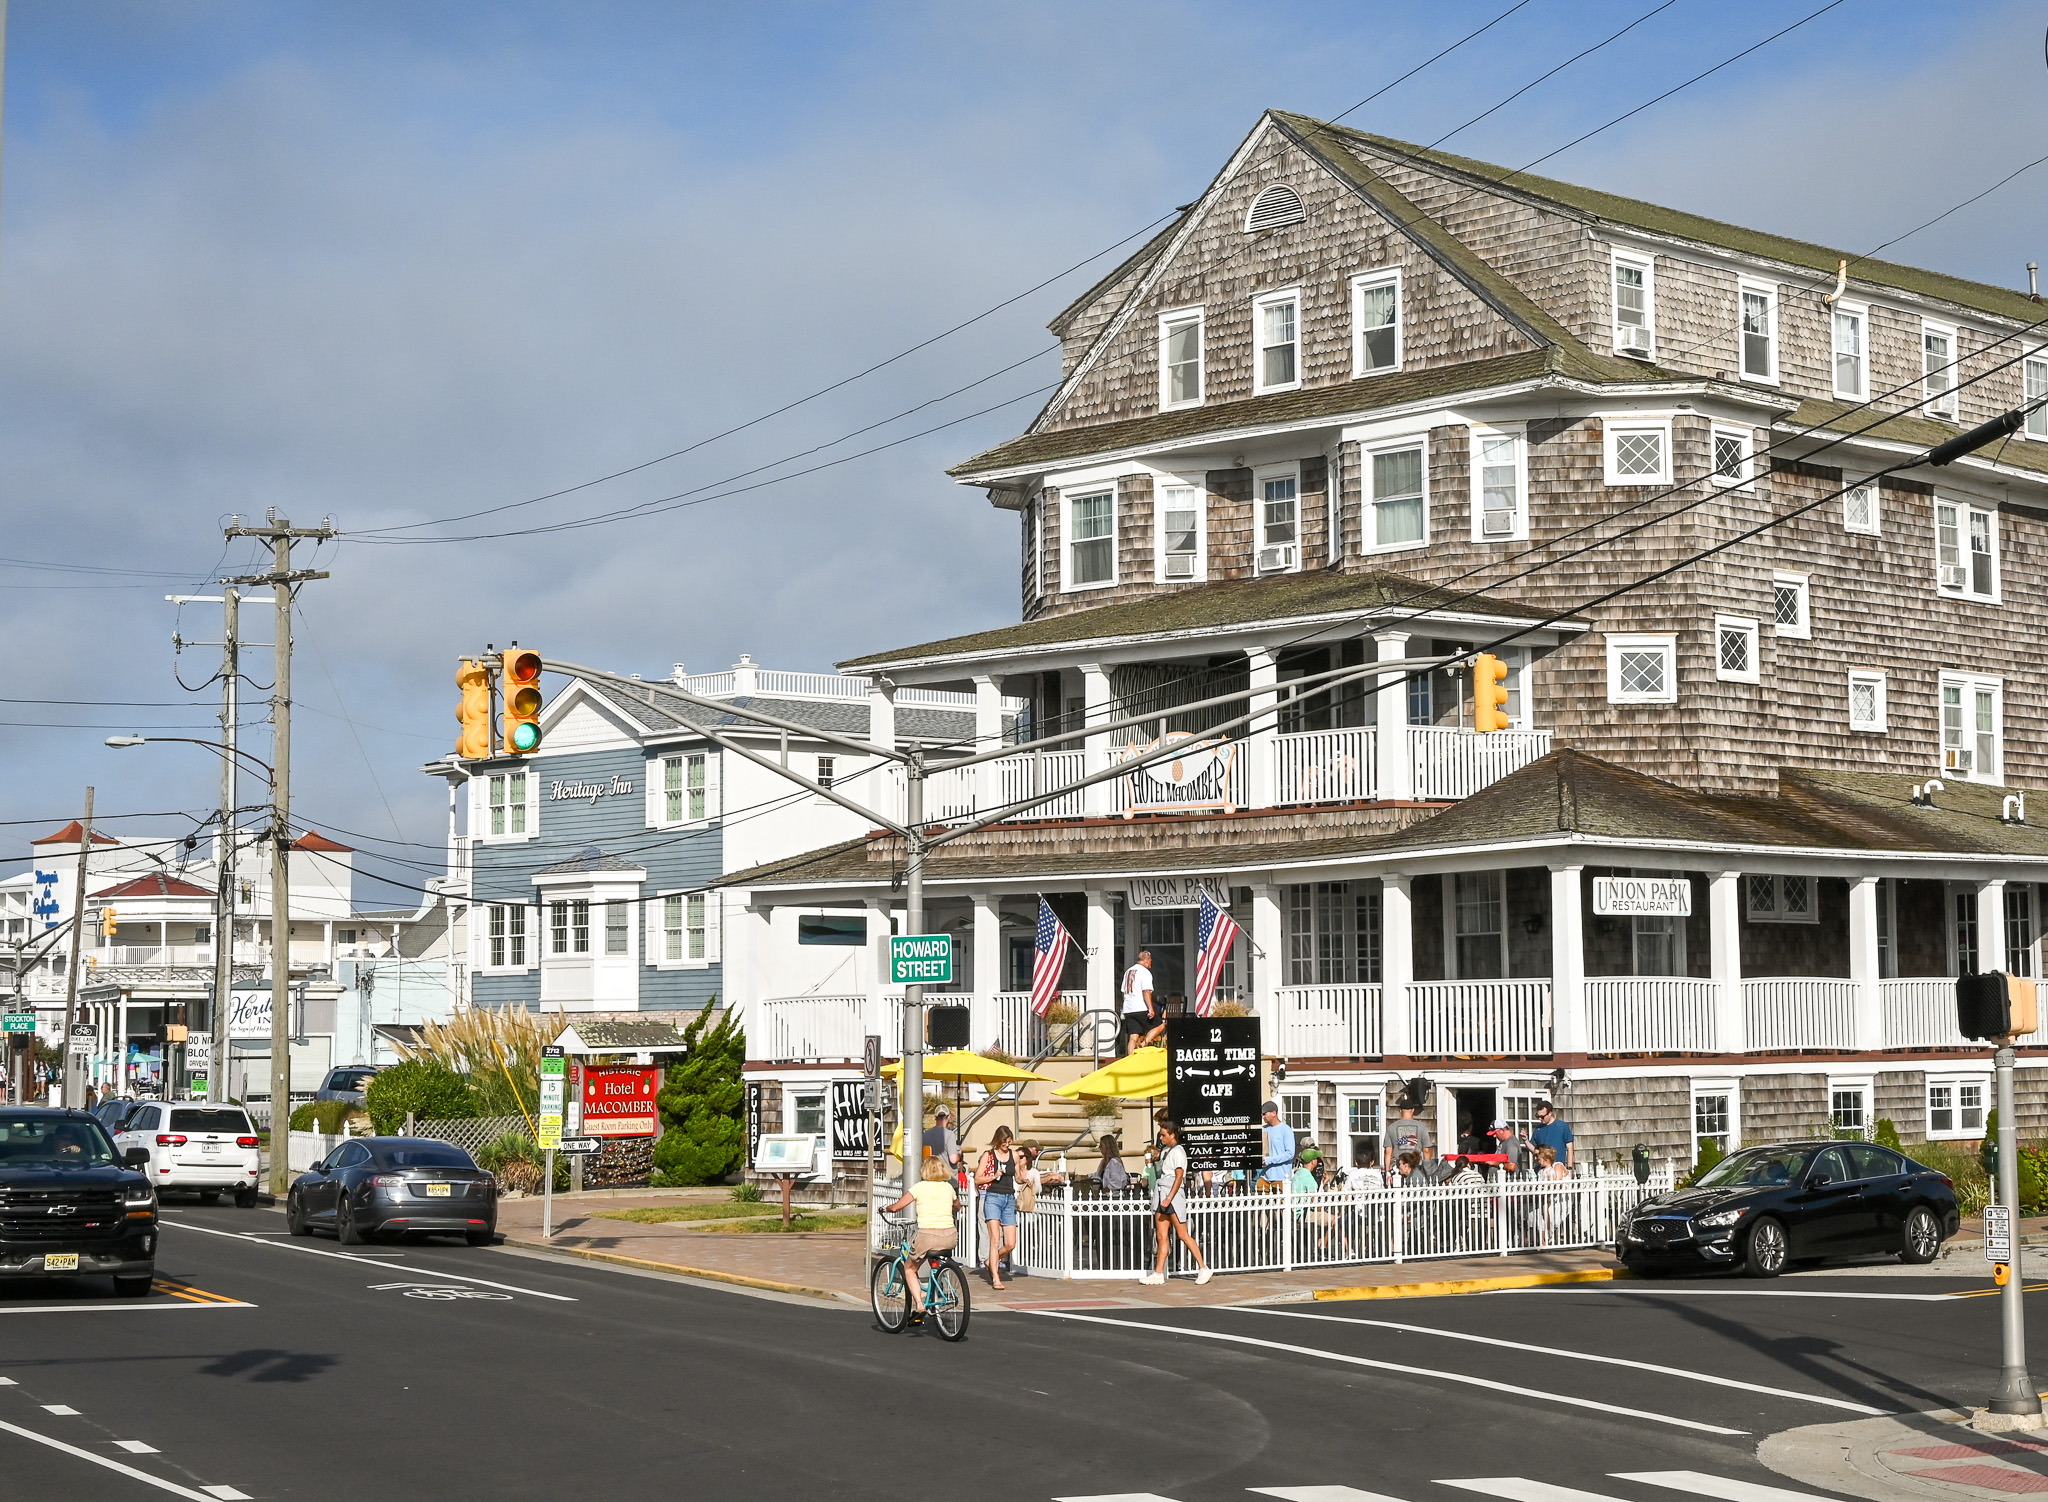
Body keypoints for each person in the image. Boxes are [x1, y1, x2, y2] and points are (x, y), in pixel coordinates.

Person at [882, 1157, 959, 1321]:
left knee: (910, 1268)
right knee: (935, 1260)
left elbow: (897, 1207)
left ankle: (919, 1305)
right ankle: (937, 1286)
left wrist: (885, 1209)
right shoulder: (948, 1187)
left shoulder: (919, 1187)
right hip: (950, 1236)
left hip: (928, 1236)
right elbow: (958, 1205)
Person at [1141, 1119, 1211, 1286]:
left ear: (1172, 1135)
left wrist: (1169, 1197)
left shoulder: (1178, 1151)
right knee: (1161, 1235)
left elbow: (1179, 1176)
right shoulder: (1166, 1151)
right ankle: (1158, 1273)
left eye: (1164, 1135)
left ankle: (1203, 1267)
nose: (1162, 1138)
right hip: (1162, 1190)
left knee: (1183, 1234)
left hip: (1171, 1193)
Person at [976, 1125, 1022, 1289]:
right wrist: (993, 1176)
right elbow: (977, 1179)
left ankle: (991, 1261)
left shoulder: (1014, 1155)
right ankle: (995, 1278)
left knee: (1010, 1243)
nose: (1007, 1145)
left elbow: (1018, 1176)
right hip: (993, 1198)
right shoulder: (988, 1155)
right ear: (998, 1141)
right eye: (1004, 1143)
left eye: (1009, 1142)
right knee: (995, 1239)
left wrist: (1027, 1179)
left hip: (1009, 1199)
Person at [1119, 950, 1156, 1055]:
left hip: (1128, 1009)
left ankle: (1130, 1059)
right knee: (1161, 1025)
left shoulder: (1128, 972)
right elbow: (1146, 991)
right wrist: (1151, 1008)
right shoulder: (1144, 972)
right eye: (1150, 960)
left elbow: (1123, 991)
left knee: (1133, 1036)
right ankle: (1142, 1046)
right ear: (1147, 960)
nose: (1150, 963)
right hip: (1141, 1008)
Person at [1256, 1101, 1295, 1192]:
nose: (1263, 1117)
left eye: (1265, 1114)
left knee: (1279, 1205)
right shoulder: (1264, 1129)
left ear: (1274, 1113)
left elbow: (1290, 1154)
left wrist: (1269, 1160)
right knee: (1261, 1202)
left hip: (1281, 1176)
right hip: (1265, 1175)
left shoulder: (1286, 1130)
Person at [1527, 1099, 1576, 1170]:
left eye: (1542, 1116)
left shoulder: (1562, 1126)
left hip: (1557, 1169)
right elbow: (1535, 1150)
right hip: (1541, 1170)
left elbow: (1570, 1148)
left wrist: (1569, 1168)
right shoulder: (1538, 1129)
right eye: (1538, 1116)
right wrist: (1525, 1140)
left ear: (1550, 1113)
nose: (1540, 1119)